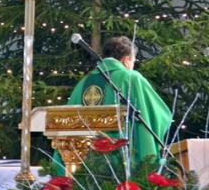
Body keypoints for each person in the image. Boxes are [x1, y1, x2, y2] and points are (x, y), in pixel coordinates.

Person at [53, 36, 172, 174]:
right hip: (122, 164)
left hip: (85, 168)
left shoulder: (83, 83)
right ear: (126, 59)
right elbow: (158, 114)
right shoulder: (132, 78)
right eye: (134, 61)